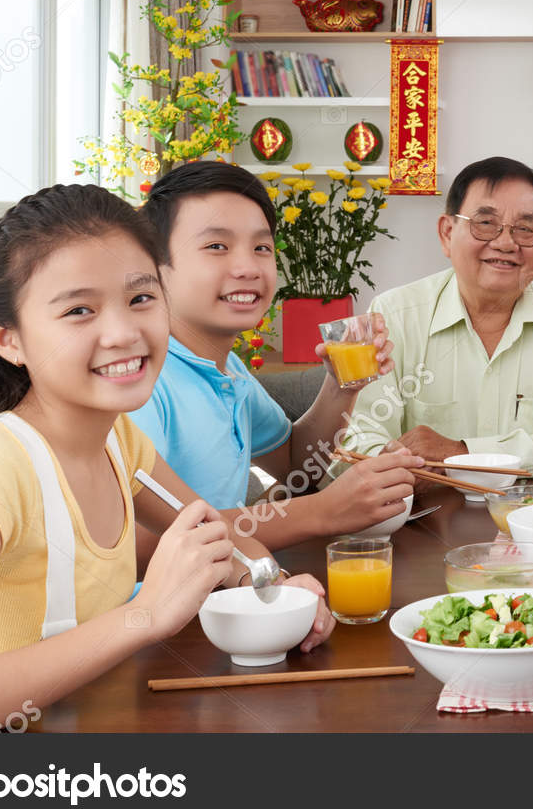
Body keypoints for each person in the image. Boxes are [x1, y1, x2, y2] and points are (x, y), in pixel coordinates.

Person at [0, 185, 334, 732]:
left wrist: (275, 584)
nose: (123, 333)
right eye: (79, 310)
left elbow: (221, 538)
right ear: (8, 338)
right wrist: (144, 614)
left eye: (140, 298)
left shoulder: (120, 442)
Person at [132, 162, 421, 546]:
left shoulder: (229, 368)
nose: (247, 267)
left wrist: (341, 386)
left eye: (262, 247)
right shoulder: (140, 383)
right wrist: (321, 512)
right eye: (216, 246)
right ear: (155, 265)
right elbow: (133, 545)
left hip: (229, 592)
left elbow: (296, 466)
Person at [342, 157, 533, 475]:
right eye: (485, 223)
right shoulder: (393, 315)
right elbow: (358, 437)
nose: (505, 243)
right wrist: (397, 465)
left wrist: (463, 454)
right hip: (426, 512)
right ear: (446, 233)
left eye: (525, 229)